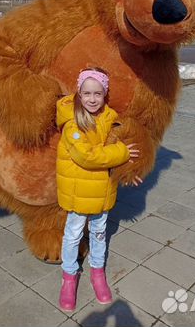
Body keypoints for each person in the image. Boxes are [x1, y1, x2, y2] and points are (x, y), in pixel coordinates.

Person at [56, 67, 141, 311]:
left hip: (103, 190)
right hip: (78, 191)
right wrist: (121, 153)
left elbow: (123, 144)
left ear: (105, 94)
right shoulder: (72, 123)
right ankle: (69, 276)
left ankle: (97, 271)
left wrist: (130, 168)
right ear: (78, 94)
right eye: (87, 94)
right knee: (73, 234)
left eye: (98, 94)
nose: (92, 99)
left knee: (100, 232)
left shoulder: (109, 118)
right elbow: (87, 157)